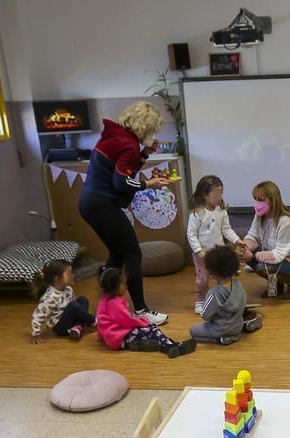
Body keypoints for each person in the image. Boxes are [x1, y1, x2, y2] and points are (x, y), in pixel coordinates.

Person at [79, 102, 170, 325]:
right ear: (144, 126)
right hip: (103, 205)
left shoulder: (115, 136)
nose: (153, 134)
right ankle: (140, 310)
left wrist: (144, 154)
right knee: (132, 253)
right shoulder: (128, 145)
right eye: (152, 130)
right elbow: (122, 182)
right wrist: (148, 184)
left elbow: (123, 170)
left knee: (117, 254)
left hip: (91, 203)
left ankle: (107, 306)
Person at [236, 181, 290, 300]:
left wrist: (253, 256)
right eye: (255, 199)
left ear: (273, 200)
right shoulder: (260, 215)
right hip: (280, 257)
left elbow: (279, 254)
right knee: (251, 260)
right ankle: (275, 289)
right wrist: (245, 248)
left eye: (261, 200)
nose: (257, 204)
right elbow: (253, 235)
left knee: (262, 267)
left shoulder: (286, 222)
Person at [95, 268, 195, 358]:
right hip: (119, 337)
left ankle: (133, 344)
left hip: (112, 338)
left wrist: (102, 336)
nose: (126, 286)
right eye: (124, 284)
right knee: (152, 328)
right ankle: (169, 346)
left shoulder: (104, 300)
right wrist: (144, 322)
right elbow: (127, 320)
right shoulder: (115, 303)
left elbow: (101, 321)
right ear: (114, 287)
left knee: (144, 331)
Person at [186, 175, 240, 314]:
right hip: (202, 253)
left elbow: (226, 229)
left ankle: (224, 299)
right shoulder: (197, 213)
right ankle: (200, 300)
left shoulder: (221, 210)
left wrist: (237, 240)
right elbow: (191, 234)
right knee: (203, 280)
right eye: (215, 193)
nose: (219, 196)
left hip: (219, 254)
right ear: (204, 194)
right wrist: (199, 251)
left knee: (224, 277)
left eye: (221, 193)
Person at [190, 246, 263, 345]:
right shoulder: (239, 285)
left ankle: (221, 339)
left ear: (212, 273)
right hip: (237, 324)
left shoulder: (213, 293)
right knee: (233, 323)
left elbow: (205, 316)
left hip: (219, 329)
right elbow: (243, 303)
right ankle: (244, 326)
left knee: (193, 331)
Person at [30, 260, 94, 343]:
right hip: (60, 327)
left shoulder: (68, 289)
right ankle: (94, 322)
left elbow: (75, 309)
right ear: (57, 278)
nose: (73, 275)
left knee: (83, 299)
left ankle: (77, 327)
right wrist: (36, 335)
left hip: (69, 319)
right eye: (69, 274)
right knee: (73, 306)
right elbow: (37, 317)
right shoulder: (50, 297)